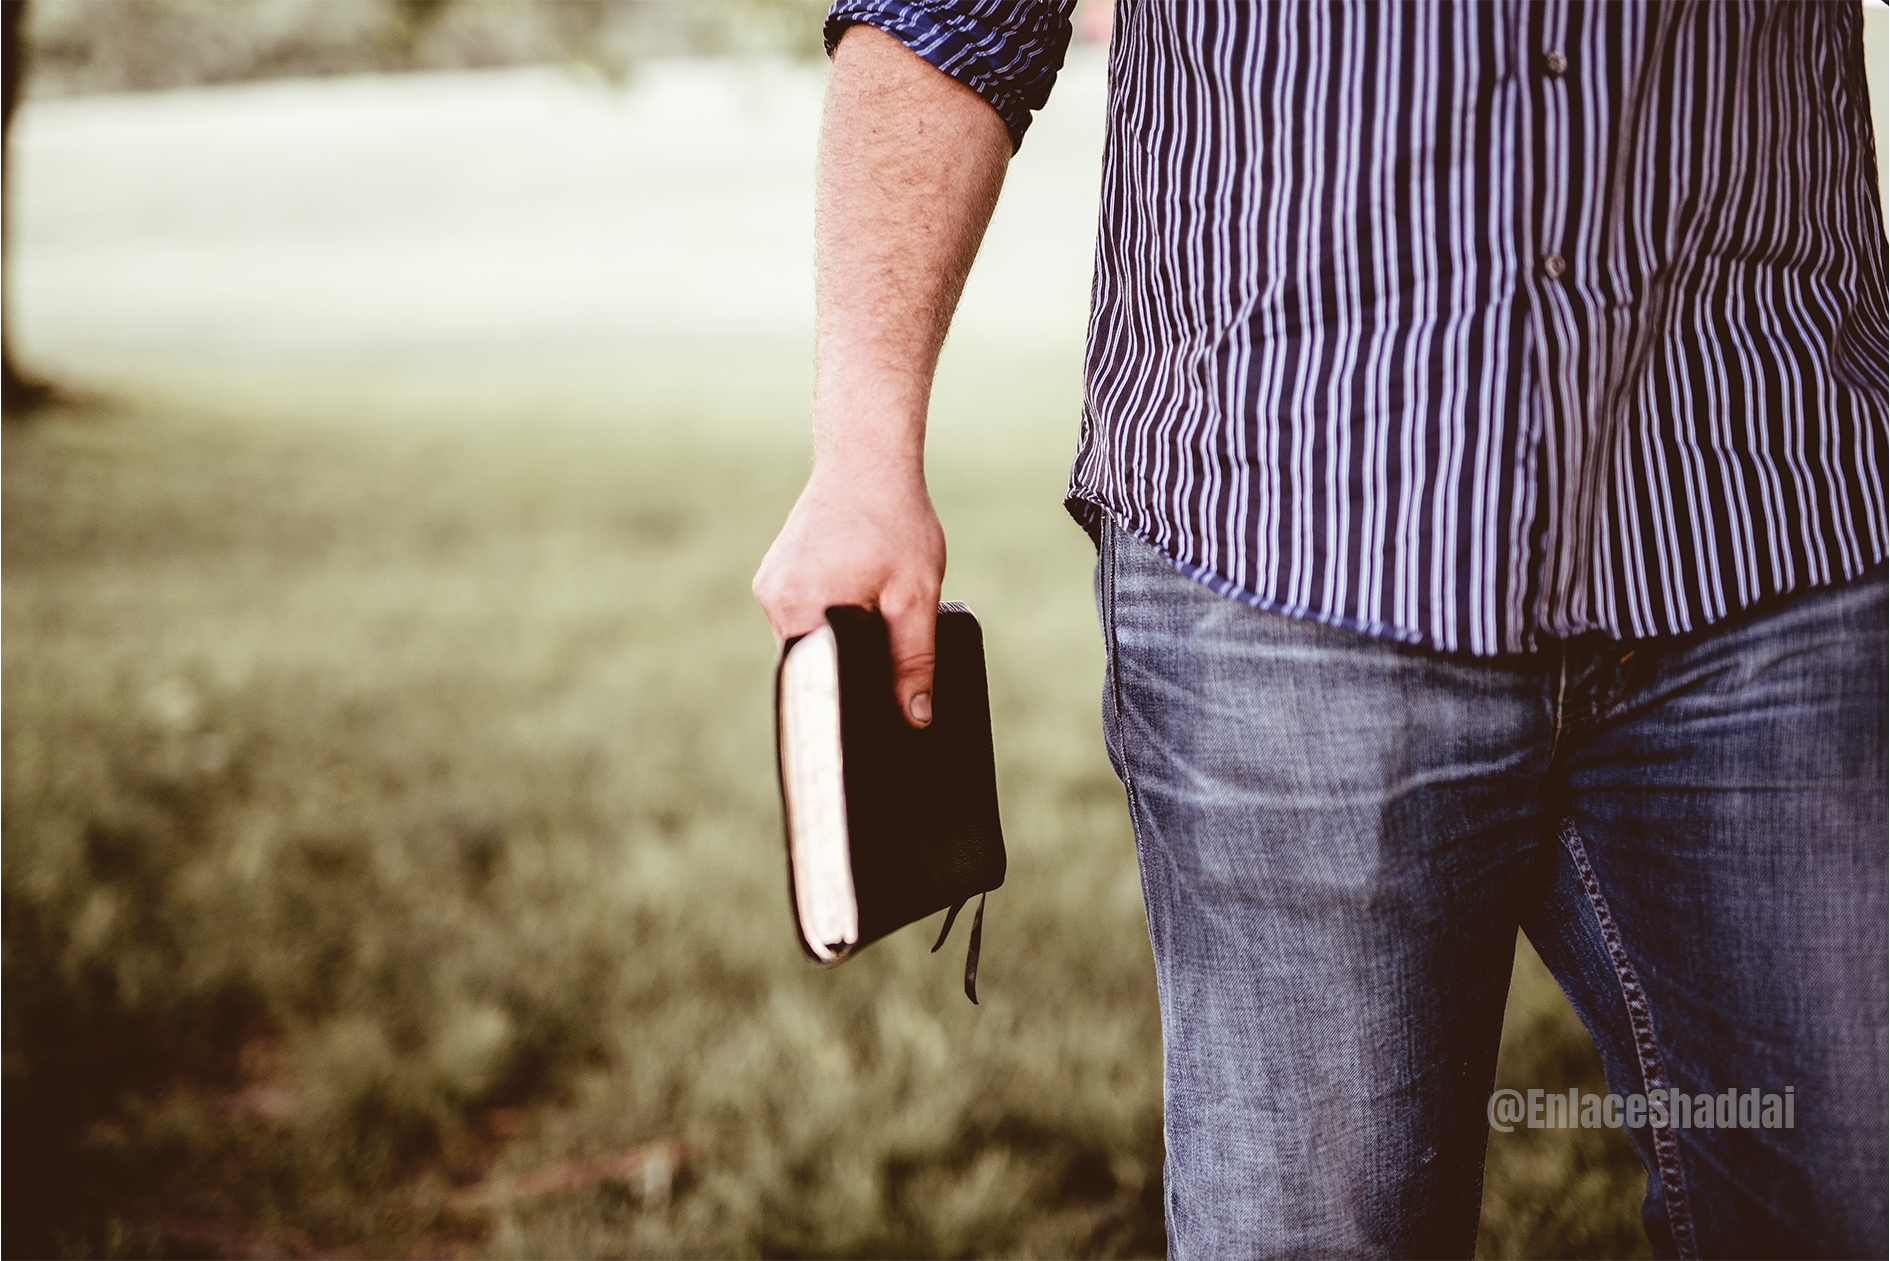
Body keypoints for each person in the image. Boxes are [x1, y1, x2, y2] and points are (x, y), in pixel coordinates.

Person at [752, 2, 1889, 1256]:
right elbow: (953, 16)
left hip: (1765, 511)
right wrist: (863, 452)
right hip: (1285, 536)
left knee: (1848, 1205)